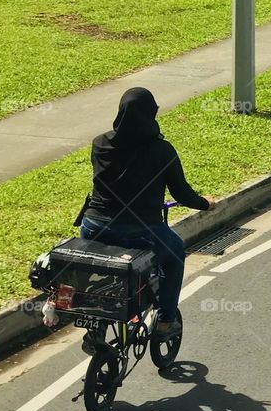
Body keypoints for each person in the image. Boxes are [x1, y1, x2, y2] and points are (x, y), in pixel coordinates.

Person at [80, 87, 214, 338]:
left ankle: (95, 323)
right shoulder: (162, 150)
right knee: (174, 253)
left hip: (93, 226)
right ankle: (165, 321)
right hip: (141, 231)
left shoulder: (99, 144)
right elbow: (182, 194)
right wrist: (206, 204)